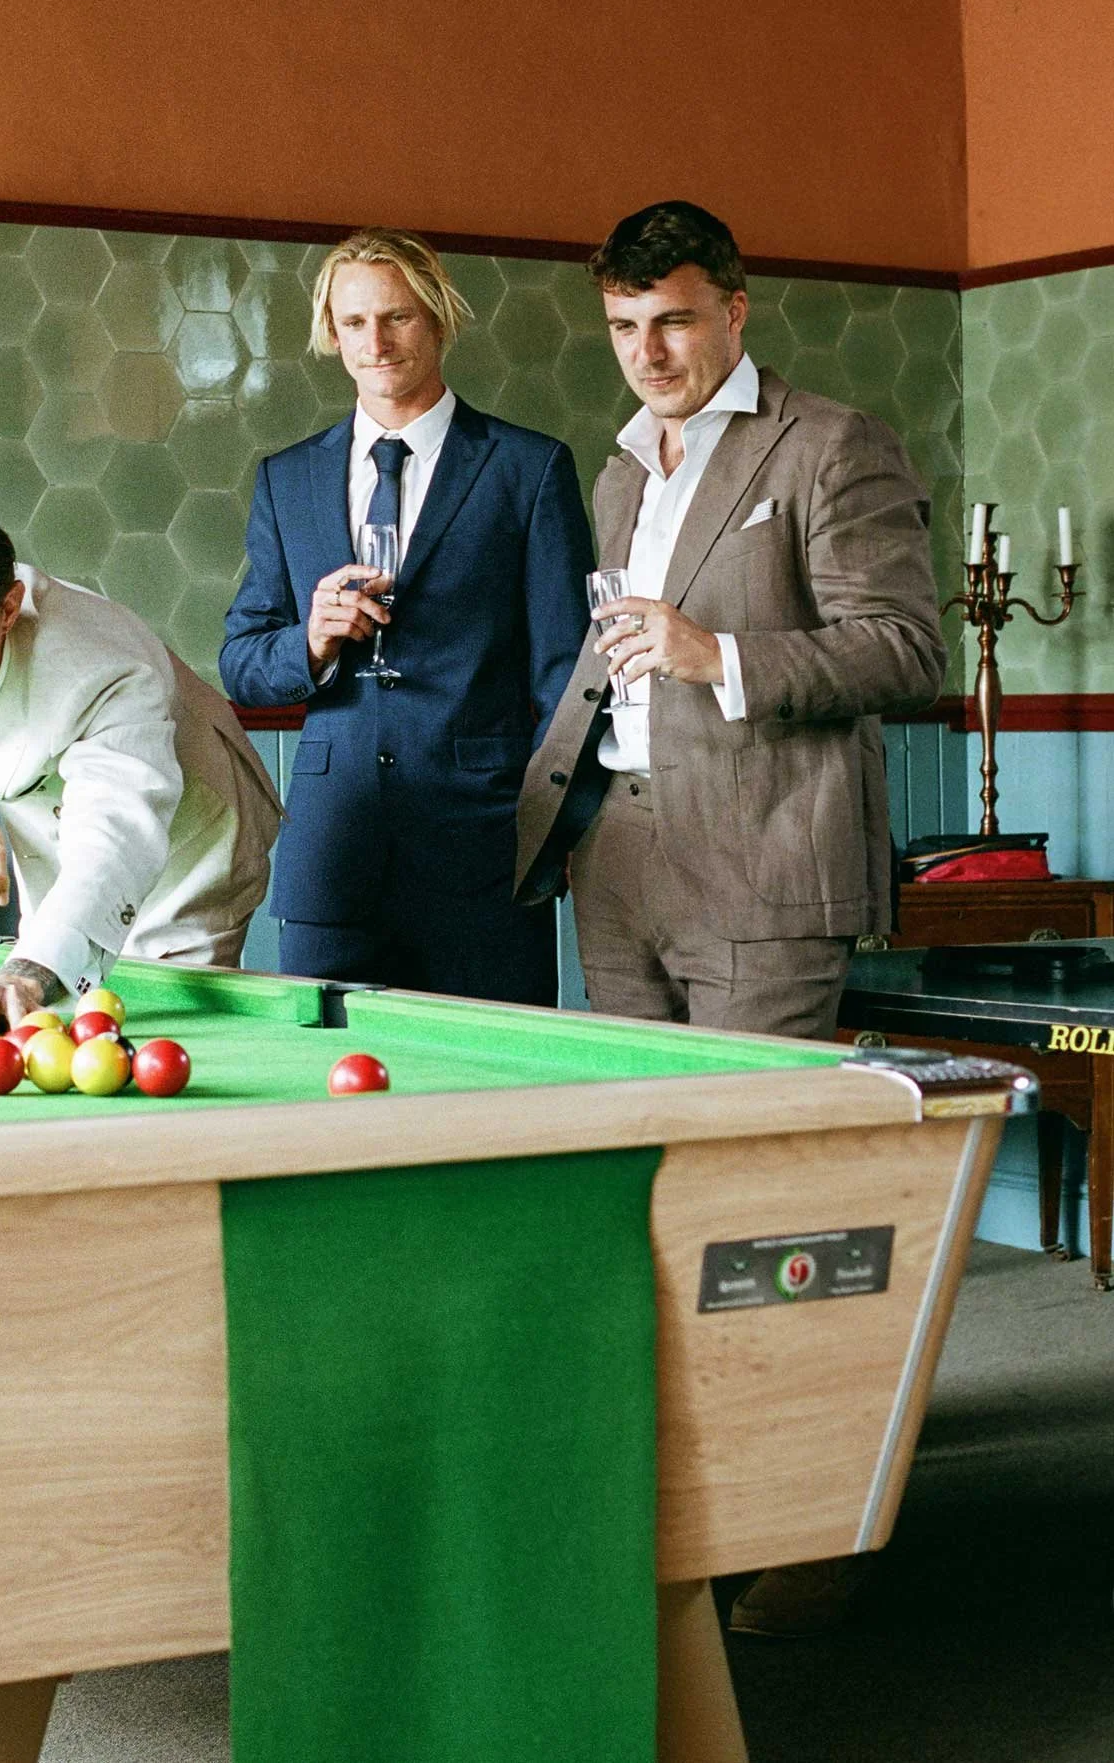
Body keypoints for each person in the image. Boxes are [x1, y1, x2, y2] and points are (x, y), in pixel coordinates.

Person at [515, 199, 946, 1635]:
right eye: (628, 328)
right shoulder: (621, 472)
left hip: (767, 867)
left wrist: (723, 654)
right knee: (644, 1193)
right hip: (622, 862)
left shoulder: (828, 444)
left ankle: (811, 1521)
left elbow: (908, 645)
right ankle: (678, 1508)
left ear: (738, 309)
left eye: (677, 321)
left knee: (763, 1201)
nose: (652, 352)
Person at [220, 227, 592, 1004]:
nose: (377, 342)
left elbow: (569, 678)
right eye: (354, 323)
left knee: (492, 1099)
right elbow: (242, 661)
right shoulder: (287, 478)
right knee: (327, 1101)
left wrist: (553, 836)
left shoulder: (529, 468)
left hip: (485, 850)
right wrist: (309, 643)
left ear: (439, 317)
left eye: (398, 317)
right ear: (331, 333)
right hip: (333, 850)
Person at [0, 489, 281, 1033]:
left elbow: (114, 840)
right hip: (43, 803)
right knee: (52, 986)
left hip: (185, 831)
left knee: (147, 1025)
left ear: (9, 607)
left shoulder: (105, 673)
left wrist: (28, 975)